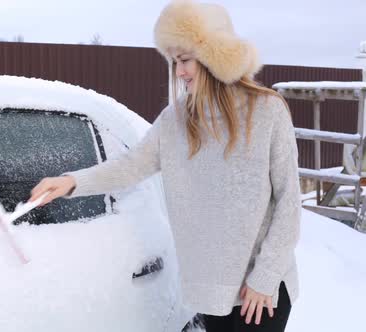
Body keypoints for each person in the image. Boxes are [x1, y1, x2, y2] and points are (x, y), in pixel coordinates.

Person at [29, 0, 301, 331]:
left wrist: (266, 277)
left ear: (215, 54)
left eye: (185, 60)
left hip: (261, 294)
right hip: (211, 293)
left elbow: (289, 203)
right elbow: (131, 165)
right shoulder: (175, 121)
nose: (179, 72)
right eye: (174, 62)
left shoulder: (267, 111)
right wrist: (71, 182)